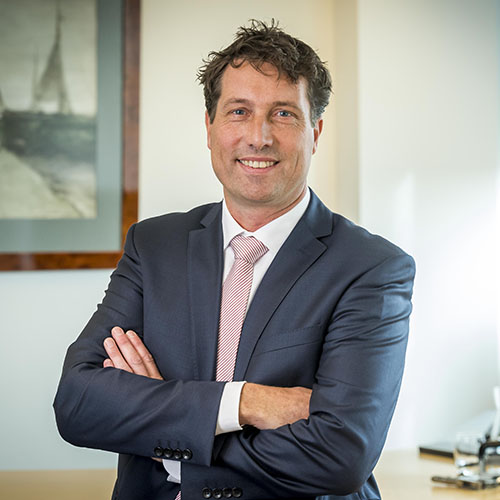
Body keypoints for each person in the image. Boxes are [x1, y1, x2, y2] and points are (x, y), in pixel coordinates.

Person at [54, 20, 415, 500]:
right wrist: (245, 401)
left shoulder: (372, 268)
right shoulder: (153, 245)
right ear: (210, 128)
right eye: (239, 111)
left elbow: (340, 455)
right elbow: (77, 403)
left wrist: (172, 439)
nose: (258, 137)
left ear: (315, 132)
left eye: (283, 113)